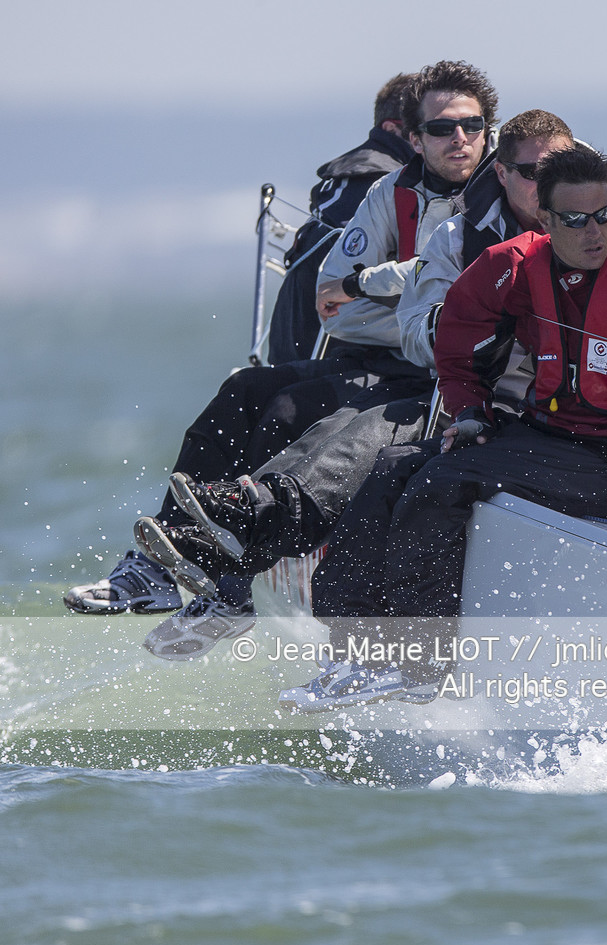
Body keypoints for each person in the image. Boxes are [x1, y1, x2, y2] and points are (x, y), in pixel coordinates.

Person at [281, 144, 607, 709]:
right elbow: (459, 333)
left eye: (603, 215)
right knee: (395, 465)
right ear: (544, 218)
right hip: (550, 441)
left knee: (442, 482)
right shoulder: (516, 266)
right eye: (574, 219)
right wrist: (469, 411)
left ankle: (418, 664)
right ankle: (351, 645)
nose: (593, 232)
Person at [135, 111, 575, 661]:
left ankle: (238, 551)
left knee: (376, 442)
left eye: (556, 168)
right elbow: (408, 324)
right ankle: (202, 553)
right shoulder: (449, 230)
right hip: (458, 393)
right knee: (285, 402)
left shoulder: (593, 234)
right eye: (530, 171)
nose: (456, 139)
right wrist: (458, 330)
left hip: (531, 418)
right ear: (503, 171)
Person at [66, 61, 496, 621]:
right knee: (247, 388)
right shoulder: (391, 193)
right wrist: (418, 324)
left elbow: (461, 306)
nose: (458, 138)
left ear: (489, 129)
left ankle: (233, 580)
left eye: (471, 125)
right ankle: (160, 569)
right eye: (441, 128)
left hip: (449, 381)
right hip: (399, 360)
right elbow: (335, 307)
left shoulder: (505, 194)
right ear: (413, 138)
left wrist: (395, 299)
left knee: (289, 412)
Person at [267, 72, 420, 366]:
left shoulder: (344, 178)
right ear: (392, 129)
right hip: (338, 358)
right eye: (427, 129)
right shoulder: (381, 185)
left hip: (290, 353)